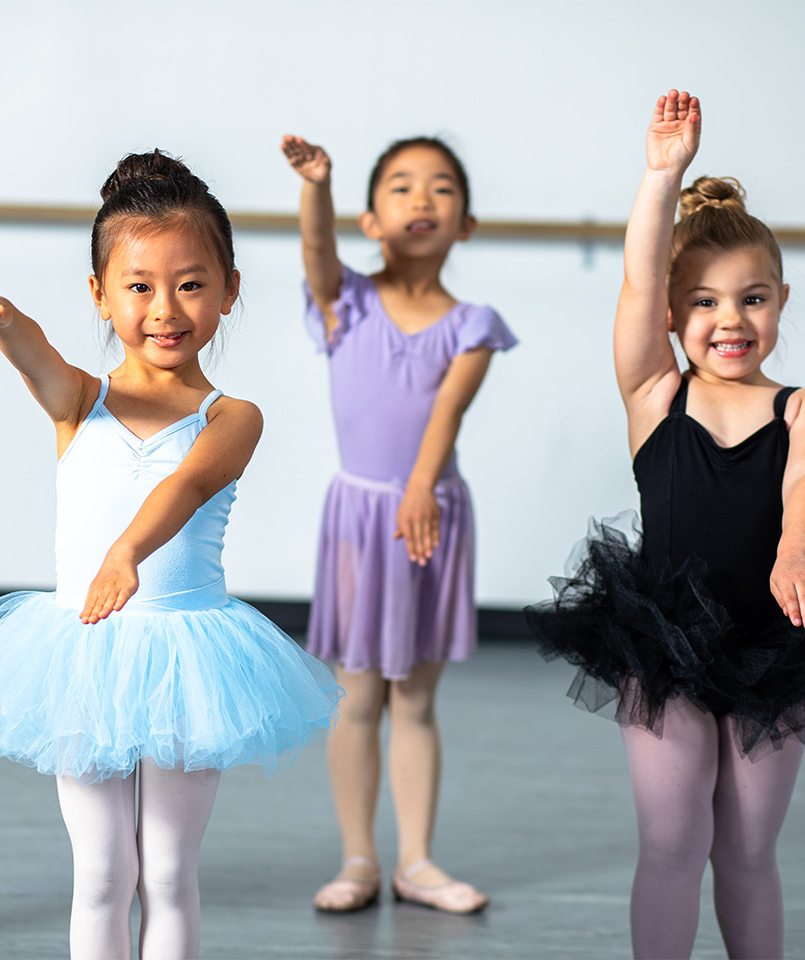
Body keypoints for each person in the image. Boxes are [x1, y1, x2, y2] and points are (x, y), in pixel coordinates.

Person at [0, 149, 341, 960]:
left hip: (191, 654)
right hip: (81, 653)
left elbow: (186, 488)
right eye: (139, 286)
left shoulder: (234, 417)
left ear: (228, 290)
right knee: (103, 875)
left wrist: (125, 553)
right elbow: (41, 360)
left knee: (169, 874)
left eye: (190, 284)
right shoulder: (81, 401)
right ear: (101, 295)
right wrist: (8, 325)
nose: (166, 308)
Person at [526, 90, 805, 959]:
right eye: (705, 303)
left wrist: (798, 550)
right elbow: (639, 278)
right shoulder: (656, 395)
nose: (730, 321)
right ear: (673, 316)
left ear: (782, 299)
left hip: (776, 636)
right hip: (664, 644)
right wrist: (661, 178)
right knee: (673, 843)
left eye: (752, 299)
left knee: (751, 850)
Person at [282, 133, 516, 914]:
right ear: (372, 220)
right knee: (356, 696)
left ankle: (416, 860)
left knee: (413, 696)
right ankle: (359, 860)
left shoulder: (473, 324)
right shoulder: (344, 302)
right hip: (359, 518)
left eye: (443, 188)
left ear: (467, 224)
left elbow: (446, 413)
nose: (423, 200)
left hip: (430, 515)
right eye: (404, 188)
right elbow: (317, 249)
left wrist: (420, 489)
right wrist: (317, 184)